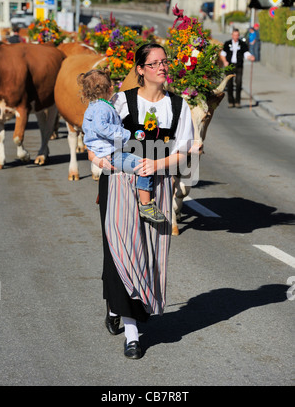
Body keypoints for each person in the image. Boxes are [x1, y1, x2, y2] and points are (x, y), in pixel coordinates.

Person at [87, 43, 196, 359]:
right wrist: (96, 157)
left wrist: (157, 164)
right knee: (121, 251)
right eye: (155, 63)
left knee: (147, 255)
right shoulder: (121, 101)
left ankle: (115, 305)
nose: (163, 67)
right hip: (119, 184)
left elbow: (183, 151)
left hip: (157, 185)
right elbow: (95, 133)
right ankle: (133, 335)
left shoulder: (179, 106)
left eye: (165, 62)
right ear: (140, 69)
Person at [80, 68, 166, 224]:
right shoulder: (102, 108)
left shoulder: (93, 107)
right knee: (144, 166)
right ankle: (146, 204)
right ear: (109, 89)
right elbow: (101, 127)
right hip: (112, 154)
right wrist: (124, 133)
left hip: (105, 152)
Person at [220, 28, 255, 108]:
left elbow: (246, 53)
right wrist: (225, 61)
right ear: (232, 35)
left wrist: (250, 57)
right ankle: (231, 101)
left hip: (239, 65)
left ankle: (237, 101)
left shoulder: (242, 44)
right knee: (229, 84)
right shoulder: (227, 43)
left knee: (239, 83)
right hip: (229, 66)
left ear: (239, 36)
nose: (236, 37)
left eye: (237, 35)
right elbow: (222, 54)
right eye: (234, 35)